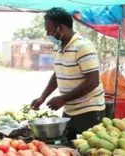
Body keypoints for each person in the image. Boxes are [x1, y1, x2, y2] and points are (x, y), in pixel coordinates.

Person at [31, 7, 105, 141]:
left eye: (49, 30)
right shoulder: (58, 47)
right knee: (69, 147)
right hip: (70, 109)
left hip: (88, 111)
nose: (48, 34)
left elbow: (93, 81)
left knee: (86, 149)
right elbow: (57, 74)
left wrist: (63, 98)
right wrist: (43, 97)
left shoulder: (83, 47)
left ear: (60, 28)